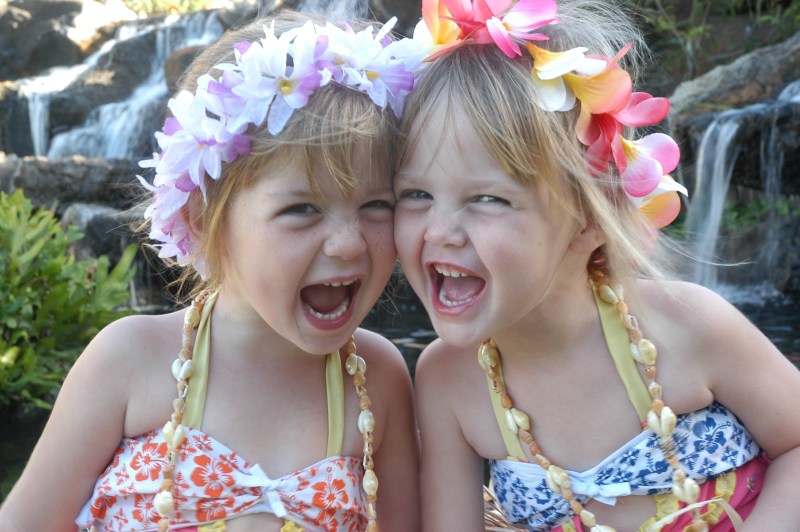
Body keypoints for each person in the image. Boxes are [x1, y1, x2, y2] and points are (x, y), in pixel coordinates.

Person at [0, 11, 425, 532]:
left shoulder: (376, 379)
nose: (347, 243)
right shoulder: (129, 360)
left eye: (376, 205)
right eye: (302, 209)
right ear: (205, 222)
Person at [393, 0, 800, 530]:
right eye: (416, 194)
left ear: (590, 218)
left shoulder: (688, 325)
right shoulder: (450, 380)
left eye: (487, 199)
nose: (439, 230)